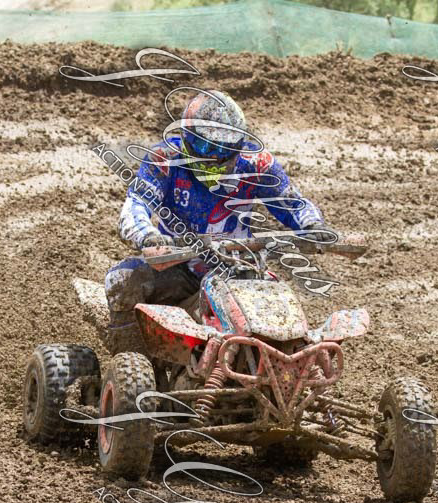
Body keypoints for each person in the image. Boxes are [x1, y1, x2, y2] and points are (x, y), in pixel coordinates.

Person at [105, 89, 330, 354]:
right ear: (187, 139)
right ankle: (130, 358)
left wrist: (312, 226)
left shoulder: (256, 163)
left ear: (239, 144)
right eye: (206, 147)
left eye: (224, 149)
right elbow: (136, 204)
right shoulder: (165, 159)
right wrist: (147, 235)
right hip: (179, 266)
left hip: (240, 268)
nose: (214, 156)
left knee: (283, 312)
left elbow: (291, 202)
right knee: (123, 278)